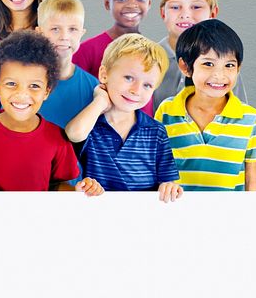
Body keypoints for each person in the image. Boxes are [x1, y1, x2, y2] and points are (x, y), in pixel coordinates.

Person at [0, 31, 103, 203]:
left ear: (46, 91)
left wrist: (78, 190)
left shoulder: (57, 137)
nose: (22, 95)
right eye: (11, 84)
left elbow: (58, 185)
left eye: (34, 86)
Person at [155, 20, 256, 191]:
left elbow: (251, 178)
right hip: (177, 214)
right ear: (185, 67)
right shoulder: (166, 112)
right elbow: (158, 165)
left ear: (238, 68)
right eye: (208, 64)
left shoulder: (252, 120)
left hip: (229, 215)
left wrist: (250, 215)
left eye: (229, 65)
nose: (219, 75)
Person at [64, 34, 182, 201]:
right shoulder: (90, 124)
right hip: (99, 210)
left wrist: (168, 186)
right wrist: (100, 100)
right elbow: (74, 134)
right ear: (104, 74)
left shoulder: (156, 131)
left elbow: (167, 181)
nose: (136, 90)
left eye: (147, 85)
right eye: (128, 78)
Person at [154, 0, 246, 109]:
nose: (185, 15)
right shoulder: (148, 59)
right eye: (175, 7)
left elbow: (240, 114)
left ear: (212, 14)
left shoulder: (225, 66)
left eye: (196, 7)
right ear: (163, 13)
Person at [73, 0, 152, 84]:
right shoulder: (86, 51)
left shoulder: (153, 52)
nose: (132, 5)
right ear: (107, 3)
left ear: (149, 2)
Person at [33, 0, 98, 130]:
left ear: (82, 33)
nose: (64, 37)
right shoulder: (24, 81)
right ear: (39, 33)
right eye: (55, 29)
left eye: (73, 29)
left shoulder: (93, 87)